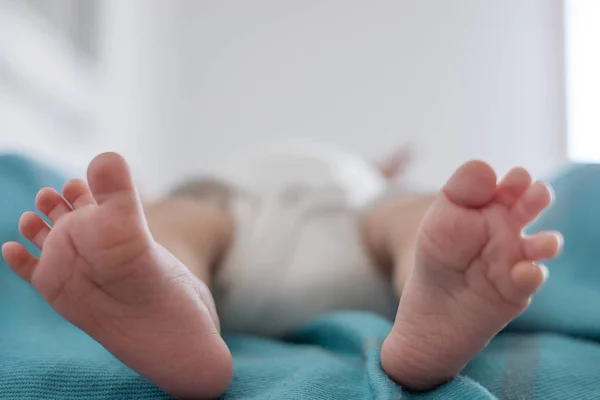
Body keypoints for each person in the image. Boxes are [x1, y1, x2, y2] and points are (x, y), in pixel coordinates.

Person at [1, 144, 562, 399]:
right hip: (353, 252)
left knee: (182, 221)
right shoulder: (365, 180)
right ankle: (171, 293)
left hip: (262, 236)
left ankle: (175, 284)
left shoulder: (369, 181)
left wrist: (383, 172)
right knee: (407, 217)